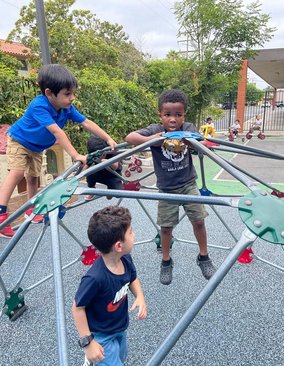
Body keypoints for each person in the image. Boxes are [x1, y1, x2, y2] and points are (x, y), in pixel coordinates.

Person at [0, 64, 116, 238]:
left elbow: (86, 123)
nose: (72, 98)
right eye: (67, 94)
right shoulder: (39, 105)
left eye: (73, 93)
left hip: (37, 148)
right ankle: (2, 215)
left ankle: (32, 210)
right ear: (49, 93)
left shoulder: (66, 108)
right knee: (17, 173)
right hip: (20, 141)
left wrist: (108, 138)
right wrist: (76, 155)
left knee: (33, 178)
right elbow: (57, 132)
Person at [125, 89, 216, 285]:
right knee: (165, 228)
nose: (173, 119)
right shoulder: (155, 130)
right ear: (160, 115)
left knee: (199, 221)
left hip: (188, 183)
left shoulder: (188, 128)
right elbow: (129, 137)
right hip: (167, 188)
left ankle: (204, 256)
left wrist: (189, 140)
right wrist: (153, 140)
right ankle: (166, 261)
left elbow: (202, 145)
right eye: (168, 115)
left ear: (184, 115)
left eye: (178, 114)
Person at [72, 206, 147, 366]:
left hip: (120, 327)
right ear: (119, 246)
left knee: (121, 356)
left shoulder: (126, 259)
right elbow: (77, 307)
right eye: (131, 232)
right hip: (101, 334)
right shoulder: (95, 278)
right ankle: (91, 356)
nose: (134, 235)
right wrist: (88, 343)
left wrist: (139, 296)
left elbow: (133, 278)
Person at [84, 136, 123, 201]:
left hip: (112, 176)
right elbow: (85, 170)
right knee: (90, 175)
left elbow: (115, 166)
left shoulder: (112, 152)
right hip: (98, 173)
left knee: (118, 193)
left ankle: (110, 191)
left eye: (100, 154)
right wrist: (86, 164)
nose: (99, 156)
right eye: (96, 155)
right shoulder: (92, 155)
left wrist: (108, 162)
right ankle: (91, 190)